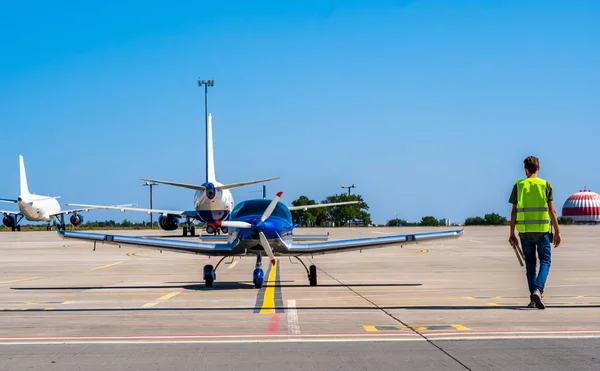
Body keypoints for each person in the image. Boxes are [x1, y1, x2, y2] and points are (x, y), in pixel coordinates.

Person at [508, 156, 561, 309]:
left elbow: (513, 212)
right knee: (545, 261)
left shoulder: (519, 186)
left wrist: (512, 233)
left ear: (525, 169)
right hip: (542, 232)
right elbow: (552, 211)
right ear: (538, 168)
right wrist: (557, 232)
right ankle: (538, 290)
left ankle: (533, 298)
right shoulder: (546, 185)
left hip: (525, 233)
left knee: (530, 265)